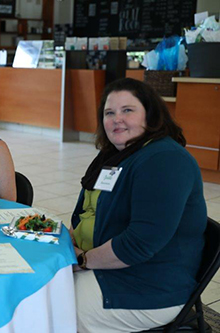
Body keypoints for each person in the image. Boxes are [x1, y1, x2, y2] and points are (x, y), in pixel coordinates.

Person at [71, 78, 206, 332]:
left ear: (150, 116)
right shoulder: (115, 155)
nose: (116, 119)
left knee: (58, 312)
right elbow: (93, 211)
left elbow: (138, 244)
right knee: (40, 291)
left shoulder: (164, 160)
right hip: (110, 266)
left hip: (148, 285)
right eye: (109, 113)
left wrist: (84, 260)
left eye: (127, 110)